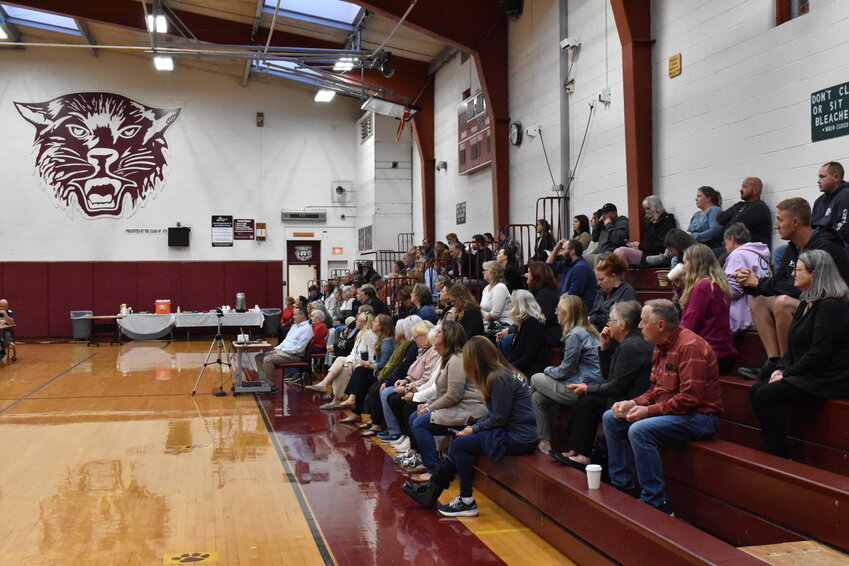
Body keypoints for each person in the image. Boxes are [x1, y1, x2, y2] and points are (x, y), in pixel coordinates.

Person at [602, 299, 722, 515]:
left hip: (700, 417)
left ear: (660, 325)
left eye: (643, 321)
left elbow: (689, 399)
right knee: (611, 417)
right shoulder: (660, 346)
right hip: (676, 413)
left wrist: (648, 411)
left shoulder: (689, 347)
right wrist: (634, 402)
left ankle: (656, 502)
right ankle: (623, 486)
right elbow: (656, 390)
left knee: (640, 430)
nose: (639, 326)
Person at [403, 337, 538, 517]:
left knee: (460, 444)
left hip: (520, 437)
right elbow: (498, 416)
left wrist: (474, 429)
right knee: (462, 438)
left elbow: (499, 418)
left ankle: (465, 500)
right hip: (514, 430)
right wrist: (474, 428)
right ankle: (432, 490)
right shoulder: (504, 372)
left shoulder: (499, 378)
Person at [749, 249, 849, 458]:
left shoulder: (832, 305)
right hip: (810, 373)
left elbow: (820, 353)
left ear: (815, 274)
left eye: (799, 270)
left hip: (828, 378)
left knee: (765, 395)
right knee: (756, 389)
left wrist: (788, 373)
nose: (793, 274)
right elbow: (792, 346)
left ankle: (780, 456)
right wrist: (781, 368)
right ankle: (774, 450)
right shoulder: (807, 301)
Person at [735, 198, 849, 380]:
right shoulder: (793, 247)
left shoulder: (825, 246)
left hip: (832, 310)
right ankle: (775, 361)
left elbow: (808, 290)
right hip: (807, 305)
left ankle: (789, 367)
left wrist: (760, 283)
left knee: (783, 302)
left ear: (795, 222)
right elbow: (779, 282)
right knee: (758, 301)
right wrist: (751, 283)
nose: (775, 226)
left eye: (780, 220)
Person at [549, 301, 653, 468]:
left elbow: (616, 385)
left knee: (588, 401)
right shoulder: (626, 343)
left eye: (610, 320)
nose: (607, 324)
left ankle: (582, 454)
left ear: (622, 325)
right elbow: (608, 376)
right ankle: (576, 451)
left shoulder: (632, 346)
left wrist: (587, 388)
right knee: (587, 400)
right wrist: (604, 349)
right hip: (624, 395)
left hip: (630, 400)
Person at [408, 321, 488, 482]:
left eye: (439, 332)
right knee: (413, 417)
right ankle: (428, 461)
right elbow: (441, 390)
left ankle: (433, 469)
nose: (435, 334)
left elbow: (453, 395)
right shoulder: (448, 358)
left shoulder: (458, 359)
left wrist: (430, 407)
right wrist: (428, 403)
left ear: (449, 336)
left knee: (419, 423)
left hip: (469, 410)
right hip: (458, 406)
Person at [530, 294, 602, 454]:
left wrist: (547, 370)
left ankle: (528, 431)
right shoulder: (589, 330)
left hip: (580, 389)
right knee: (538, 398)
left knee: (536, 378)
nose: (556, 312)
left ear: (568, 313)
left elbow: (564, 370)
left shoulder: (575, 335)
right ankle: (544, 442)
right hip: (587, 385)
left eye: (559, 309)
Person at [679, 244, 737, 374]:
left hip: (710, 354)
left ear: (694, 263)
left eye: (685, 262)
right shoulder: (714, 283)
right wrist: (679, 288)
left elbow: (689, 324)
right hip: (721, 353)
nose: (684, 267)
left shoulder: (703, 286)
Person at [337, 314, 396, 422]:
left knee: (361, 375)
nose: (372, 323)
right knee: (360, 374)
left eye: (376, 322)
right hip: (376, 370)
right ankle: (354, 405)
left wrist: (369, 365)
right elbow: (355, 352)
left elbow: (383, 364)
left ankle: (356, 405)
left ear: (382, 326)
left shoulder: (385, 341)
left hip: (383, 374)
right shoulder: (378, 338)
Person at [309, 312, 375, 406]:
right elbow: (353, 352)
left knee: (343, 368)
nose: (356, 321)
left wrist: (351, 363)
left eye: (358, 320)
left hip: (364, 363)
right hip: (356, 361)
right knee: (340, 359)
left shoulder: (369, 335)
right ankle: (324, 385)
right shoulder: (361, 333)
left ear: (365, 323)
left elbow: (369, 357)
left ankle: (334, 397)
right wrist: (350, 362)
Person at [722, 223, 771, 333]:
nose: (725, 247)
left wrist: (715, 283)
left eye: (725, 243)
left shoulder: (737, 255)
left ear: (732, 239)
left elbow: (734, 290)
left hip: (744, 319)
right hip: (763, 315)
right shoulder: (758, 254)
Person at [255, 306, 314, 392]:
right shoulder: (294, 327)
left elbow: (299, 349)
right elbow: (285, 342)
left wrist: (281, 351)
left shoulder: (307, 329)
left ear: (303, 316)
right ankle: (264, 383)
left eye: (295, 315)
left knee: (268, 359)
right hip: (285, 352)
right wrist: (276, 349)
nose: (293, 317)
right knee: (259, 357)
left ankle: (271, 387)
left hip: (294, 356)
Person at [614, 195, 676, 266]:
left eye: (648, 209)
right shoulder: (649, 221)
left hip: (656, 253)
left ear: (655, 208)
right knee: (616, 251)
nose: (646, 211)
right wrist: (637, 245)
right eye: (645, 209)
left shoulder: (666, 220)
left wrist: (641, 245)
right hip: (646, 251)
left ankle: (620, 275)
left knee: (621, 251)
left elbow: (662, 244)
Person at [499, 289, 548, 377]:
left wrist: (508, 368)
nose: (508, 305)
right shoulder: (523, 323)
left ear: (518, 305)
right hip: (522, 370)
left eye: (511, 302)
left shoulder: (531, 323)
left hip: (531, 373)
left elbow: (529, 357)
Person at [716, 177, 772, 248]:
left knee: (714, 255)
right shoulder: (739, 205)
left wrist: (732, 217)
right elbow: (720, 219)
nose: (741, 190)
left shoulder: (759, 207)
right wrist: (736, 216)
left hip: (753, 250)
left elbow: (732, 227)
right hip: (738, 248)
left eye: (745, 187)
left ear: (755, 190)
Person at [588, 254, 637, 331]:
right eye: (597, 280)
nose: (598, 283)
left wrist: (593, 319)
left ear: (613, 277)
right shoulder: (602, 291)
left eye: (601, 279)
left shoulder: (627, 292)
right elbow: (593, 312)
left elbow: (621, 319)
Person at [547, 239, 597, 311]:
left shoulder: (580, 268)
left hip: (580, 309)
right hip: (569, 304)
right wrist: (556, 248)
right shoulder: (567, 263)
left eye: (563, 249)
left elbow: (573, 293)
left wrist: (557, 301)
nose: (560, 253)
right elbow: (549, 265)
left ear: (572, 251)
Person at [811, 161, 849, 246]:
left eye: (822, 177)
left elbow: (843, 228)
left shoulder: (846, 195)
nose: (818, 181)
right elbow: (812, 227)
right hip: (820, 242)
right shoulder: (819, 201)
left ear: (836, 177)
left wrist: (821, 242)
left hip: (840, 243)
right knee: (782, 251)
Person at [526, 261, 562, 346]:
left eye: (529, 272)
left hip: (550, 333)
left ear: (536, 275)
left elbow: (540, 318)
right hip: (540, 330)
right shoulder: (538, 291)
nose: (526, 275)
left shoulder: (547, 293)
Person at [480, 261, 513, 327]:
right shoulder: (486, 288)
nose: (482, 272)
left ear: (492, 272)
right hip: (489, 322)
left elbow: (495, 314)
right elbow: (481, 309)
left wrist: (481, 323)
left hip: (502, 323)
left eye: (485, 270)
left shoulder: (500, 287)